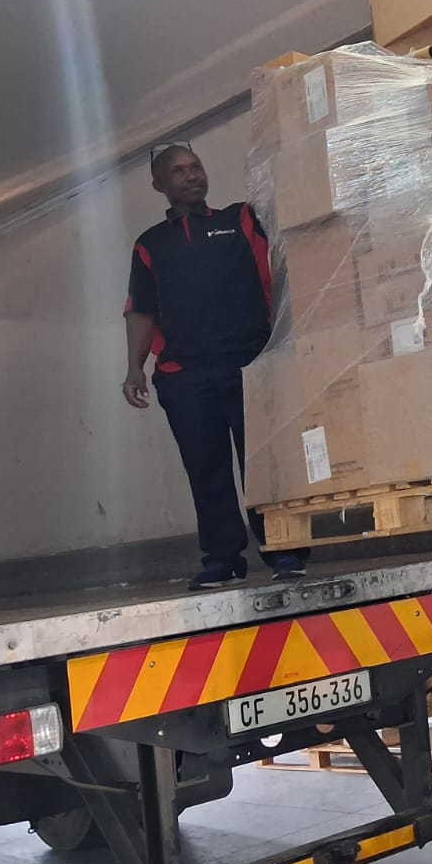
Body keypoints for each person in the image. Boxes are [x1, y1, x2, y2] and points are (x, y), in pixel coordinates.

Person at [122, 142, 308, 590]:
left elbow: (289, 230)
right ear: (159, 185)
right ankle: (222, 558)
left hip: (250, 364)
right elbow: (140, 311)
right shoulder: (150, 245)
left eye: (196, 167)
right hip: (184, 376)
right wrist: (134, 368)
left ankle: (284, 550)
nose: (191, 176)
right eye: (180, 171)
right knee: (205, 468)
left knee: (262, 464)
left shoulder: (241, 220)